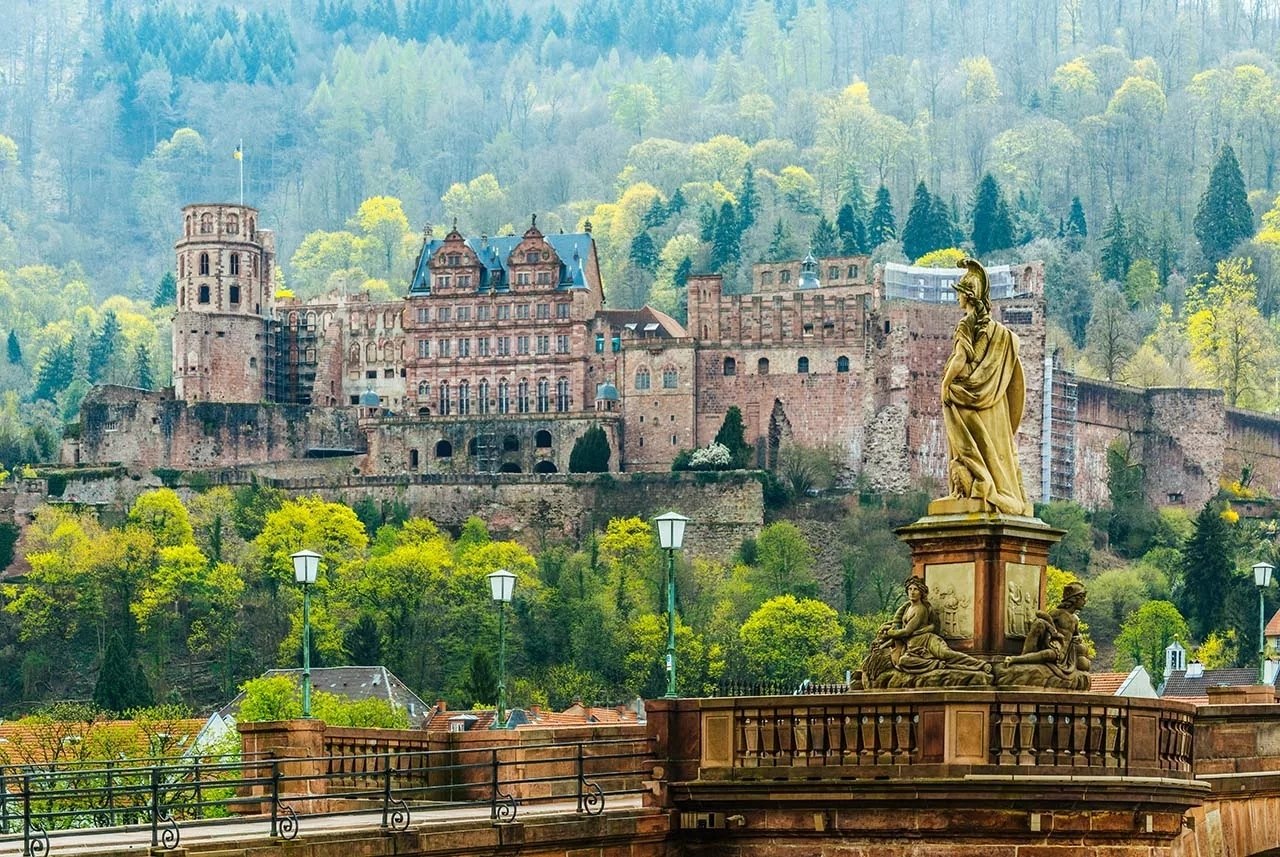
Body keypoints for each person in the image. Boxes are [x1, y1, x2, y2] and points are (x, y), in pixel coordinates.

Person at [940, 258, 1033, 516]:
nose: (957, 299)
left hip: (967, 397)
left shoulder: (965, 325)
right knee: (997, 450)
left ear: (967, 297)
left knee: (969, 448)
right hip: (995, 404)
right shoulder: (1000, 333)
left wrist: (946, 385)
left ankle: (974, 488)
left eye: (959, 294)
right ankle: (1006, 491)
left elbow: (960, 359)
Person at [867, 576, 991, 679]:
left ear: (921, 592)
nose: (912, 592)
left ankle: (979, 664)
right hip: (912, 647)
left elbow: (907, 631)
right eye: (910, 589)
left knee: (947, 654)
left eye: (915, 589)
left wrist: (890, 633)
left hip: (927, 641)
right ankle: (935, 664)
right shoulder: (906, 608)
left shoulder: (920, 609)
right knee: (903, 661)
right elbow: (899, 625)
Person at [1003, 582, 1091, 680]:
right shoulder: (1057, 613)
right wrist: (1053, 631)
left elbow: (1076, 634)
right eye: (1083, 598)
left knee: (1050, 654)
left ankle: (1018, 660)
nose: (1085, 601)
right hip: (1053, 647)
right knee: (1040, 627)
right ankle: (1021, 658)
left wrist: (1078, 638)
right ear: (1074, 599)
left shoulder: (1075, 619)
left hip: (1063, 656)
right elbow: (1040, 617)